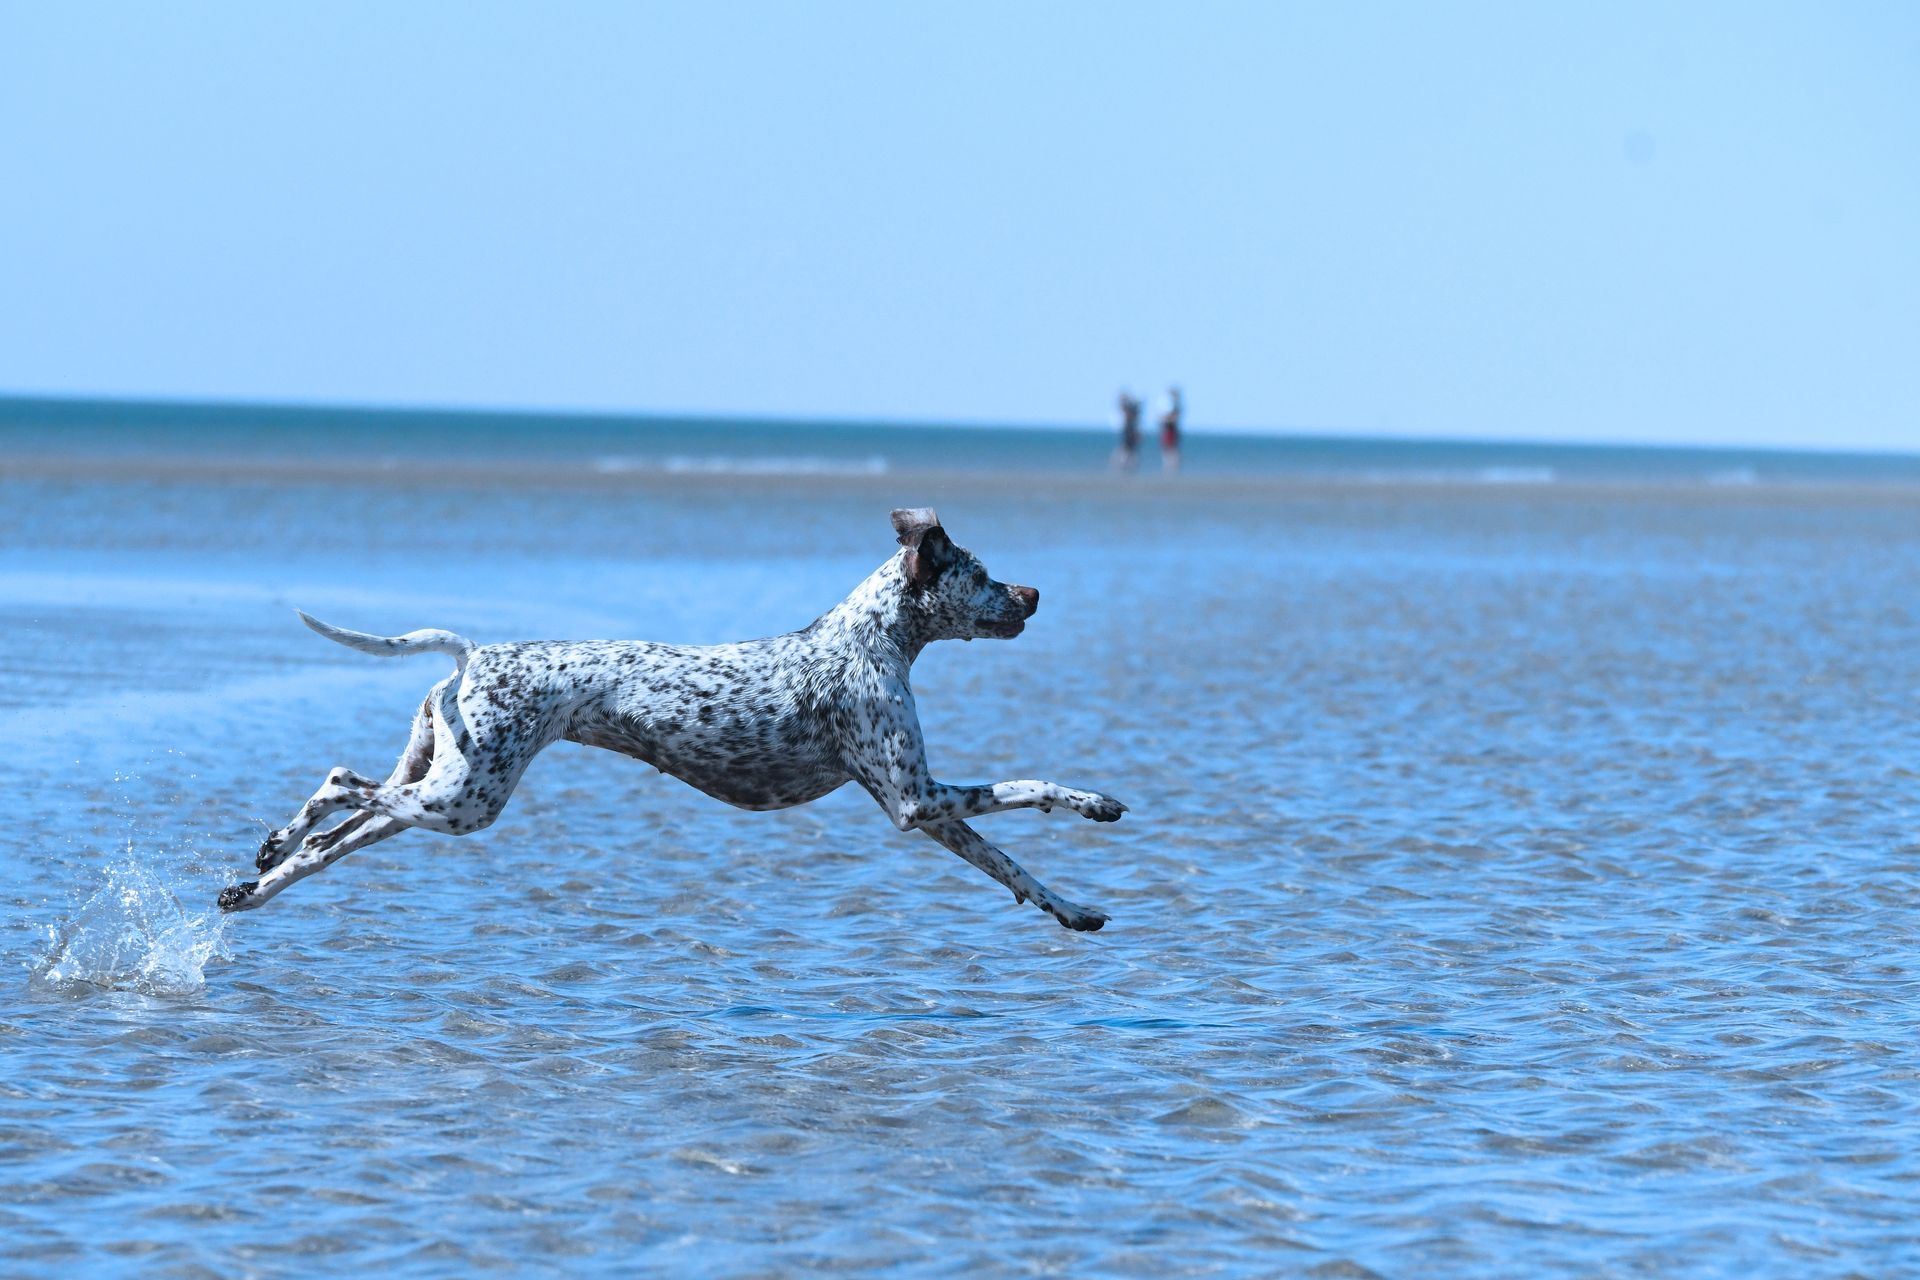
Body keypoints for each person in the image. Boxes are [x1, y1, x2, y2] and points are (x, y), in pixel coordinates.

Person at [1111, 390, 1142, 471]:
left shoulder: (1131, 410)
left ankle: (1127, 466)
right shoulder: (1125, 410)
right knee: (1126, 449)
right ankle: (1122, 465)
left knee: (1129, 450)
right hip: (1127, 430)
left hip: (1130, 430)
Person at [1159, 385, 1182, 472]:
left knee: (1172, 450)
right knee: (1168, 450)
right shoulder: (1169, 405)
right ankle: (1168, 468)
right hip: (1168, 429)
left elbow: (1174, 417)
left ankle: (1172, 468)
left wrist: (1167, 418)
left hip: (1171, 430)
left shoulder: (1176, 406)